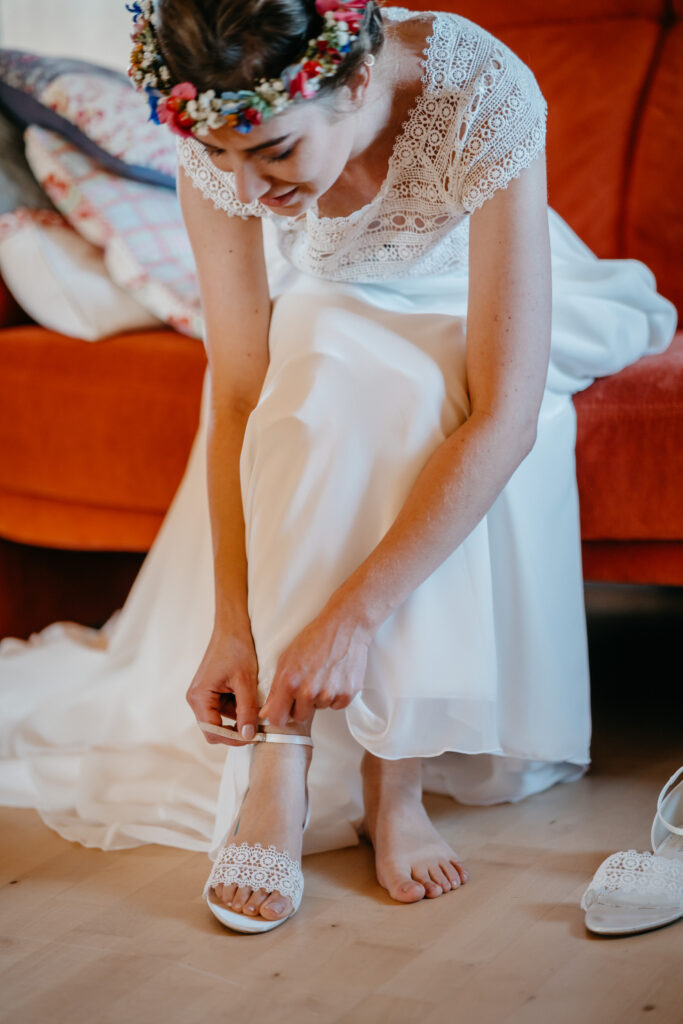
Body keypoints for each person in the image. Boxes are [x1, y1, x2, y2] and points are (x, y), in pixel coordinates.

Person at [0, 0, 676, 933]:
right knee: (316, 355)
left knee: (414, 393)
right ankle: (279, 760)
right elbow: (236, 393)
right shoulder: (228, 147)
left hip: (488, 292)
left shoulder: (480, 93)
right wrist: (232, 625)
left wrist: (351, 620)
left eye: (274, 152)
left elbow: (503, 417)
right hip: (339, 296)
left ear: (355, 83)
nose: (245, 185)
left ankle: (393, 782)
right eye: (221, 155)